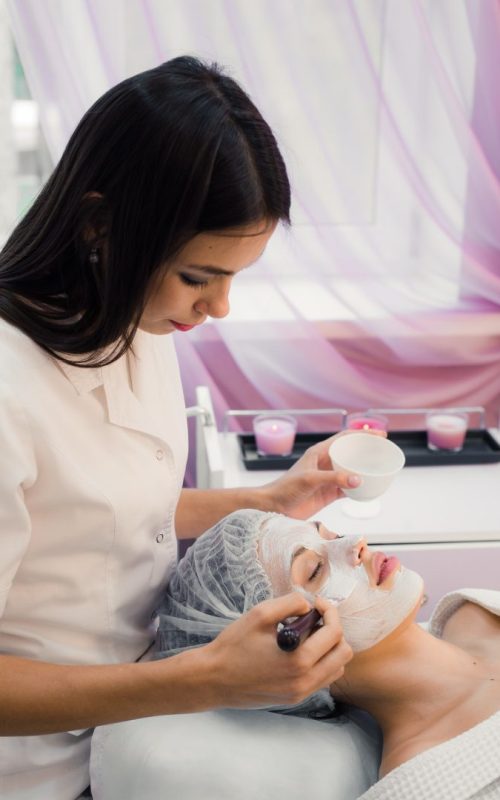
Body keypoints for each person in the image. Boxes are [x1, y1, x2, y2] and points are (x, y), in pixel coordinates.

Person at [0, 56, 363, 799]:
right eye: (199, 277)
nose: (219, 308)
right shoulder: (9, 388)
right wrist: (203, 678)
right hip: (36, 769)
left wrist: (268, 504)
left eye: (235, 277)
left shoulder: (136, 320)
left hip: (139, 731)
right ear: (100, 224)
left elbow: (97, 515)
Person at [90, 510, 500, 799]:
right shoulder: (425, 785)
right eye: (315, 570)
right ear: (289, 653)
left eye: (327, 533)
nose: (353, 544)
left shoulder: (475, 614)